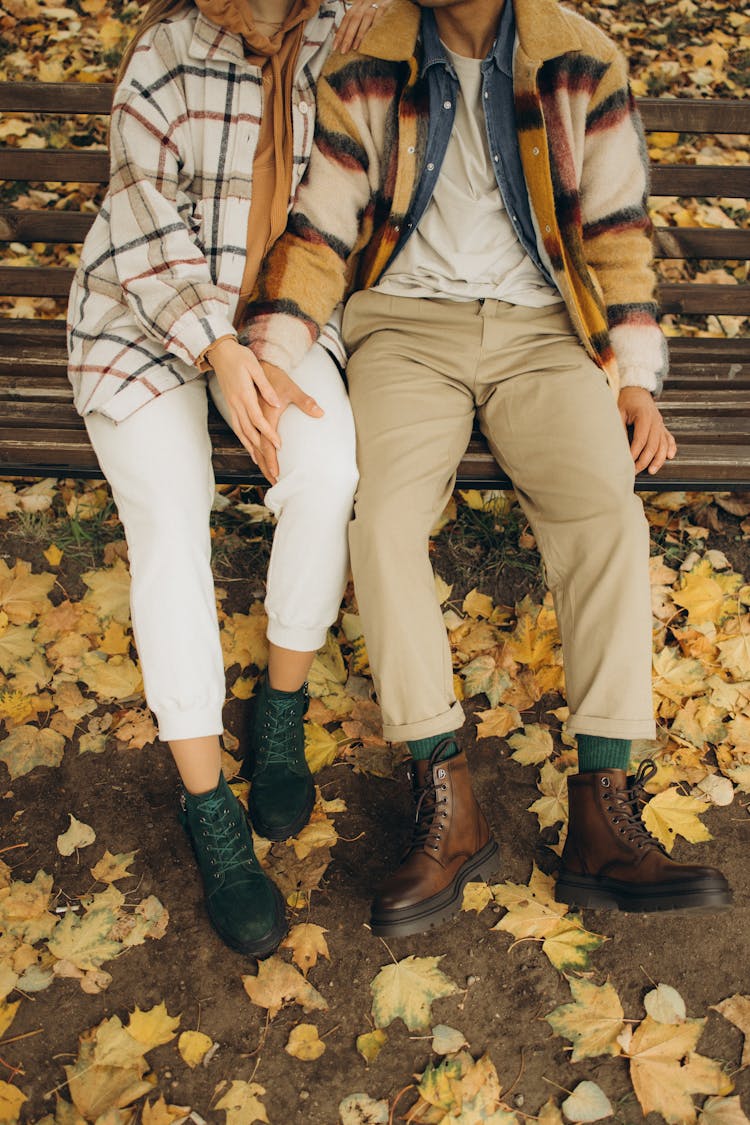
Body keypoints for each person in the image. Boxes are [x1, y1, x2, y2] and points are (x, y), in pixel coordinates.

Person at [240, 0, 732, 937]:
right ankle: (446, 800)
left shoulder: (580, 59)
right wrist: (271, 351)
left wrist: (631, 376)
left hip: (547, 334)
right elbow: (323, 224)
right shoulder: (370, 59)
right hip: (405, 330)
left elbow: (619, 228)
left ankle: (604, 811)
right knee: (380, 522)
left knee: (606, 512)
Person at [66, 0, 392, 959]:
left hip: (275, 321)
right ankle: (209, 807)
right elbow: (138, 209)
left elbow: (335, 211)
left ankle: (279, 714)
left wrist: (264, 341)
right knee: (172, 517)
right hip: (145, 318)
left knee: (328, 470)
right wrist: (213, 345)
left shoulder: (340, 37)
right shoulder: (168, 50)